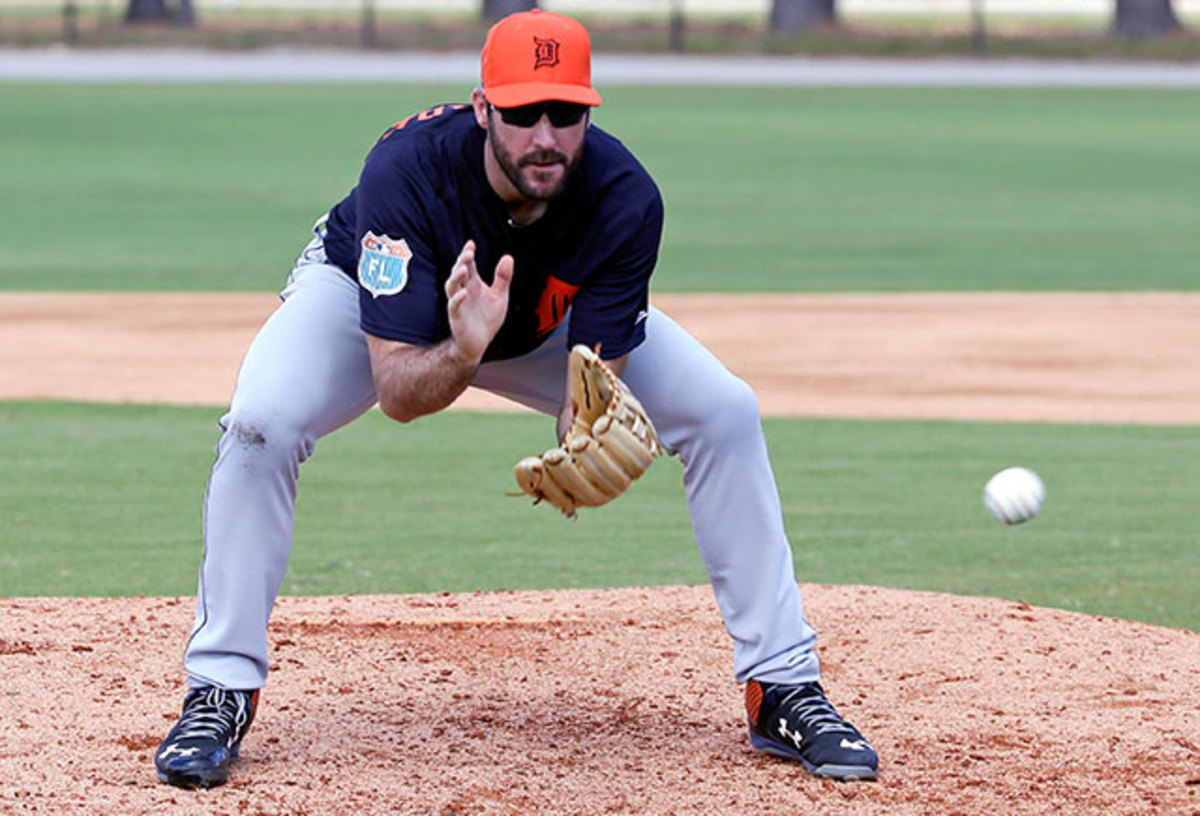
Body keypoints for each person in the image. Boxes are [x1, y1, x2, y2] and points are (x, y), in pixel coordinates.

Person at [154, 8, 879, 789]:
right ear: (481, 108)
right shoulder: (406, 171)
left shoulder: (624, 198)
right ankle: (221, 685)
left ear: (588, 113)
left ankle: (782, 685)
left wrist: (587, 432)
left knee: (724, 412)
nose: (544, 135)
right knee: (261, 426)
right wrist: (464, 347)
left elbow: (590, 384)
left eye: (566, 113)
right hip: (380, 308)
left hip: (534, 319)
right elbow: (398, 390)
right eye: (523, 112)